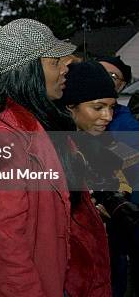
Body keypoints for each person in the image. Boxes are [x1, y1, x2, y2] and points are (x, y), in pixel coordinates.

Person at [0, 18, 108, 296]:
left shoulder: (36, 125)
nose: (65, 68)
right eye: (53, 62)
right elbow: (2, 248)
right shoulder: (1, 138)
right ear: (27, 71)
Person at [61, 61, 118, 296]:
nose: (107, 116)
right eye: (98, 107)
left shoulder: (100, 149)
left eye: (112, 107)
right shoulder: (55, 153)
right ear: (70, 107)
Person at [97, 56, 139, 150]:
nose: (102, 77)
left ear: (121, 86)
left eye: (112, 76)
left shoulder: (125, 124)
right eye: (97, 71)